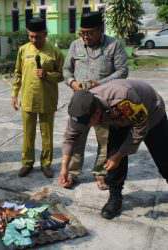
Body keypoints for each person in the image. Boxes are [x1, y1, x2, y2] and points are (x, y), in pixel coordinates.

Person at [58, 79, 168, 219]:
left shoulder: (123, 98)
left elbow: (140, 129)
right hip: (117, 118)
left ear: (97, 113)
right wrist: (64, 168)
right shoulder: (80, 110)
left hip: (151, 112)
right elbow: (70, 137)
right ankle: (115, 197)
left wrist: (119, 155)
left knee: (164, 156)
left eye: (88, 123)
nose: (86, 127)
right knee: (112, 154)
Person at [63, 11, 128, 189]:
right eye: (82, 33)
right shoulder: (75, 46)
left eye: (89, 33)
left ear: (101, 30)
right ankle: (74, 172)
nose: (85, 37)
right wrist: (72, 82)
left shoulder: (114, 45)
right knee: (77, 138)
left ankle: (100, 173)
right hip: (81, 103)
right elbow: (66, 70)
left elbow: (122, 71)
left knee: (105, 141)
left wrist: (99, 84)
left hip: (104, 105)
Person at [11, 17, 64, 178]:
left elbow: (63, 75)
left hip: (47, 98)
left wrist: (47, 74)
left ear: (45, 34)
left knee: (47, 134)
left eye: (38, 36)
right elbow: (18, 73)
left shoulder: (55, 52)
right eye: (31, 36)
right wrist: (14, 94)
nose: (34, 40)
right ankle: (27, 162)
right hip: (28, 98)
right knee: (28, 133)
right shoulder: (23, 50)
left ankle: (46, 164)